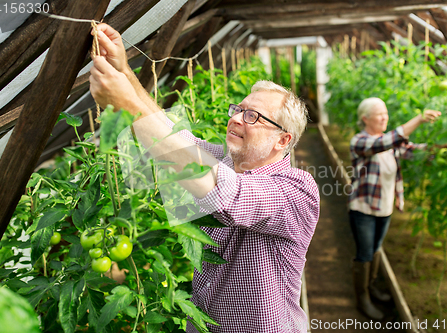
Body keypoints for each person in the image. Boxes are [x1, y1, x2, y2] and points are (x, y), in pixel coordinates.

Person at [89, 23, 320, 333]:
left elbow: (227, 196)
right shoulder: (227, 160)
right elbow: (173, 137)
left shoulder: (297, 191)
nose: (236, 118)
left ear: (282, 140)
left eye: (252, 116)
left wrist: (125, 106)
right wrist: (125, 72)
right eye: (238, 109)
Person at [348, 97, 441, 320]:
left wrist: (442, 149)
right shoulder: (360, 142)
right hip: (363, 209)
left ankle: (371, 289)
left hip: (384, 208)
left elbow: (415, 151)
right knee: (365, 253)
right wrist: (418, 120)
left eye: (386, 113)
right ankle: (362, 299)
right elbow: (388, 141)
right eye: (379, 114)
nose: (384, 117)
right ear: (365, 118)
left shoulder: (391, 144)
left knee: (376, 248)